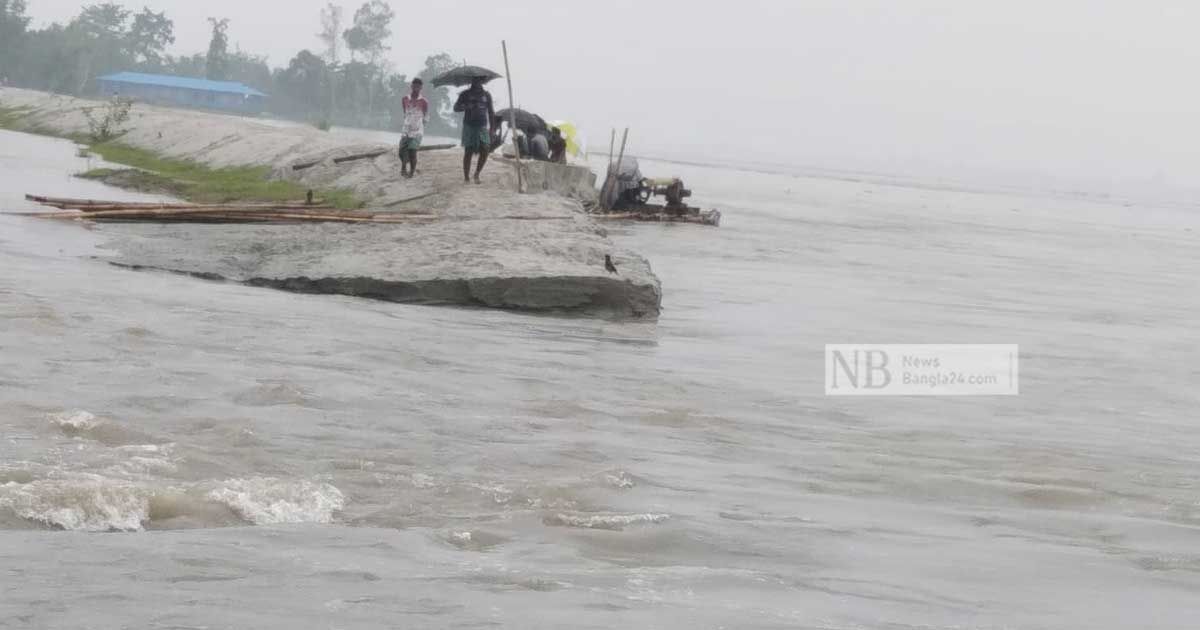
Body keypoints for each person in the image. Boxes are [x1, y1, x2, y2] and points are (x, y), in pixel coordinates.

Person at [453, 77, 495, 184]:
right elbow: (456, 108)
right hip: (469, 125)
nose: (477, 82)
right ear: (471, 81)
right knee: (469, 151)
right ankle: (466, 177)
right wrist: (466, 106)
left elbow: (491, 112)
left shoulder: (487, 95)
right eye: (475, 80)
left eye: (479, 80)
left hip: (482, 126)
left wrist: (492, 129)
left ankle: (477, 173)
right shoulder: (465, 94)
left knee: (485, 149)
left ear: (482, 81)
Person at [399, 78, 429, 178]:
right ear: (411, 86)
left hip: (417, 130)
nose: (416, 88)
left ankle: (411, 172)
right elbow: (405, 112)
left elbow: (426, 116)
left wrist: (420, 125)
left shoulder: (424, 102)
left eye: (418, 86)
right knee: (401, 151)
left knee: (412, 151)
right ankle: (403, 166)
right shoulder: (405, 99)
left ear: (421, 88)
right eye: (414, 86)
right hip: (406, 129)